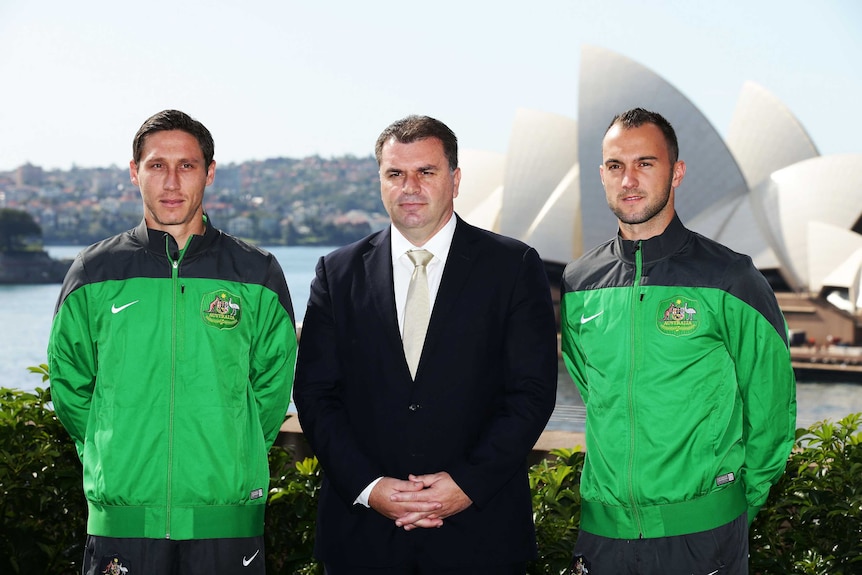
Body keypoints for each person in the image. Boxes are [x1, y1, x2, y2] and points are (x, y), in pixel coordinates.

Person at [292, 115, 558, 574]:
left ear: (455, 180)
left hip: (482, 537)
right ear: (380, 182)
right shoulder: (336, 274)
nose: (409, 186)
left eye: (426, 172)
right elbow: (315, 395)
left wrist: (467, 485)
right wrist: (370, 487)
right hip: (363, 540)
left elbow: (531, 393)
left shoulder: (513, 267)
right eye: (395, 173)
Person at [47, 109, 297, 575]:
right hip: (122, 519)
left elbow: (270, 390)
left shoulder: (256, 273)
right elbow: (70, 386)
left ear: (210, 172)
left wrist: (232, 449)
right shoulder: (93, 273)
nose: (172, 182)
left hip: (226, 519)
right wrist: (114, 450)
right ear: (134, 172)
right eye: (157, 165)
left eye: (187, 166)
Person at [559, 107, 796, 573]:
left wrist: (733, 502)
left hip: (703, 532)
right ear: (602, 175)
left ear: (677, 172)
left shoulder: (731, 278)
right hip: (604, 534)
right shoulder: (577, 283)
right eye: (615, 166)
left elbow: (771, 407)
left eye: (645, 163)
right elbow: (593, 388)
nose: (629, 179)